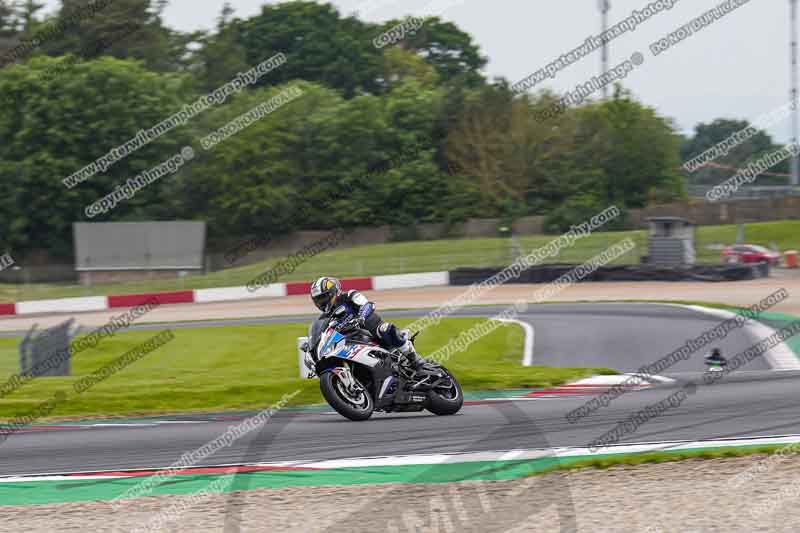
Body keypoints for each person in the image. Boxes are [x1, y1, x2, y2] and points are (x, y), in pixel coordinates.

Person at [310, 276, 425, 368]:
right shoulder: (324, 318)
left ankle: (412, 355)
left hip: (368, 327)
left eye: (323, 297)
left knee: (385, 329)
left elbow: (367, 304)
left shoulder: (349, 296)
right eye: (318, 300)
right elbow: (323, 334)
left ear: (333, 292)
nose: (321, 302)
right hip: (349, 339)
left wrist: (361, 316)